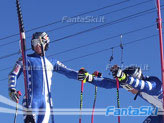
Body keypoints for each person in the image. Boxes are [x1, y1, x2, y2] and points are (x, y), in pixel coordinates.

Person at [8, 32, 78, 123]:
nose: (36, 45)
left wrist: (84, 75)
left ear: (46, 43)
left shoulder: (52, 62)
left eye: (39, 42)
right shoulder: (26, 59)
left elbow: (68, 72)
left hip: (46, 103)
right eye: (34, 42)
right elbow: (13, 74)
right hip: (31, 101)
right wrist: (12, 90)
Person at [77, 65, 163, 123]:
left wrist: (126, 78)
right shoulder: (135, 87)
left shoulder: (154, 84)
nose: (128, 90)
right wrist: (90, 78)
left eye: (128, 87)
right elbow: (109, 83)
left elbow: (145, 86)